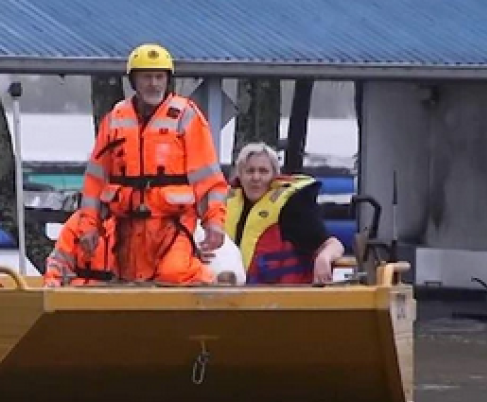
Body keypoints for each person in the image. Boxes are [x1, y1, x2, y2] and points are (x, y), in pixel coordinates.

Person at [74, 43, 229, 284]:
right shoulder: (115, 119)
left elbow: (208, 179)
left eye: (159, 77)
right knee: (132, 285)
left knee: (174, 274)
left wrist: (215, 222)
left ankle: (208, 281)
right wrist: (89, 225)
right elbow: (95, 180)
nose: (154, 83)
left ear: (168, 79)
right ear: (134, 81)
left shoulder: (186, 116)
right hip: (128, 227)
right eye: (147, 77)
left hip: (173, 224)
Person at [226, 142, 345, 285]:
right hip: (229, 296)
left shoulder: (293, 206)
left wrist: (324, 257)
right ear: (240, 175)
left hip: (283, 297)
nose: (256, 177)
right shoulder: (223, 206)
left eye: (263, 171)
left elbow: (334, 245)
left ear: (275, 176)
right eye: (250, 171)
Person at [43, 211, 115, 287]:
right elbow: (60, 263)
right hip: (79, 295)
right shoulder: (77, 222)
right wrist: (52, 284)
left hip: (121, 294)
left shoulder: (125, 225)